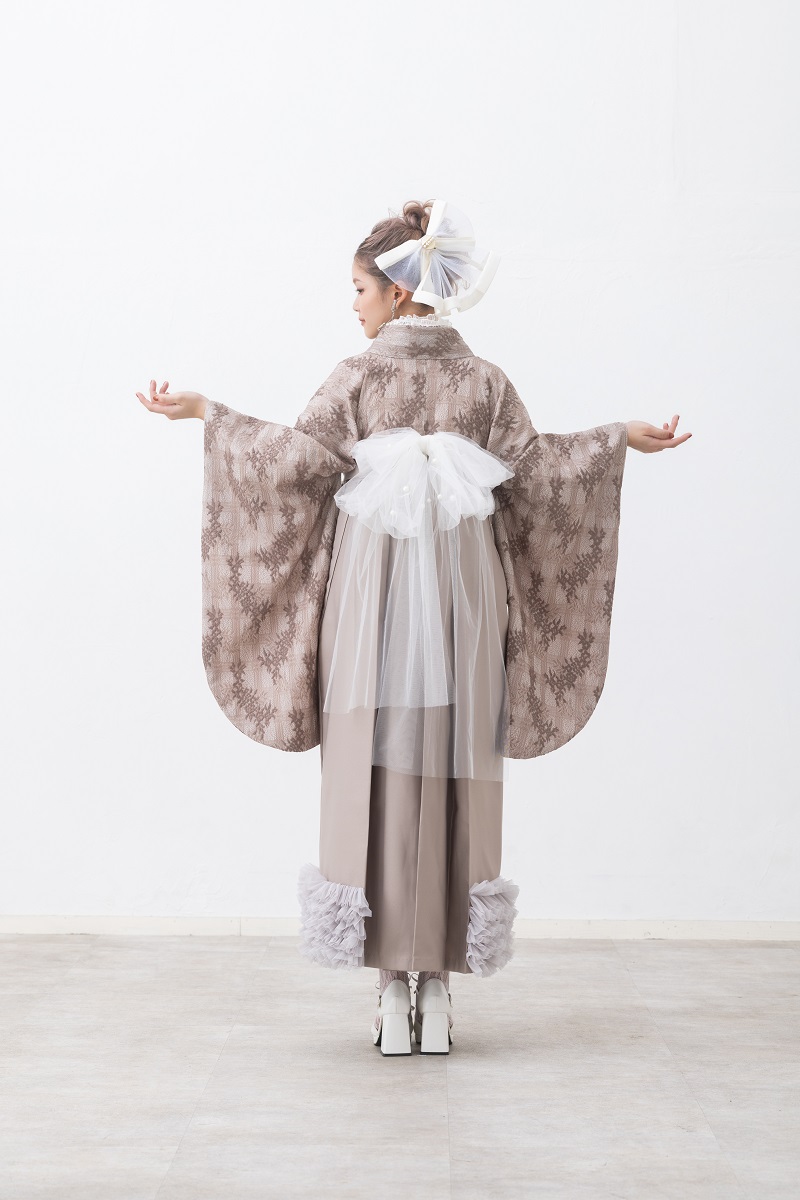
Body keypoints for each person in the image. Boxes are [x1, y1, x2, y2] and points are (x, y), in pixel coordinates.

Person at [136, 197, 691, 1058]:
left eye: (360, 288)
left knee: (371, 765)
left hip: (372, 599)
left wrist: (211, 414)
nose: (352, 304)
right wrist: (618, 439)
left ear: (398, 292)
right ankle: (437, 990)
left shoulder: (357, 377)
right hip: (466, 600)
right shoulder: (485, 382)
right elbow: (540, 472)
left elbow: (296, 462)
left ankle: (392, 993)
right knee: (455, 768)